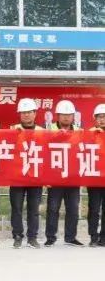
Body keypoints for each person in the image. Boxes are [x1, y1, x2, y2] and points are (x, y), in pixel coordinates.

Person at [46, 99, 83, 247]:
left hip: (73, 176)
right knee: (53, 208)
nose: (66, 117)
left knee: (73, 208)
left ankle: (70, 237)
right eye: (63, 114)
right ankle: (50, 237)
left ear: (73, 116)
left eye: (69, 115)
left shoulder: (80, 131)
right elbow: (44, 150)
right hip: (55, 176)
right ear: (58, 116)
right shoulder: (49, 129)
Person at [9, 98, 43, 249]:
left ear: (35, 113)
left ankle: (32, 237)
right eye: (23, 112)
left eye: (29, 112)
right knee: (16, 208)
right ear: (19, 114)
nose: (26, 115)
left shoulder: (42, 131)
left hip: (35, 176)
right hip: (17, 176)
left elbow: (47, 153)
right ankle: (17, 236)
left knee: (33, 209)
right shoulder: (12, 129)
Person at [87, 103, 105, 248]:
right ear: (95, 118)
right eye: (99, 117)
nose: (102, 120)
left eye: (104, 117)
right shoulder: (89, 133)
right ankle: (93, 236)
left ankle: (103, 238)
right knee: (93, 208)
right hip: (94, 177)